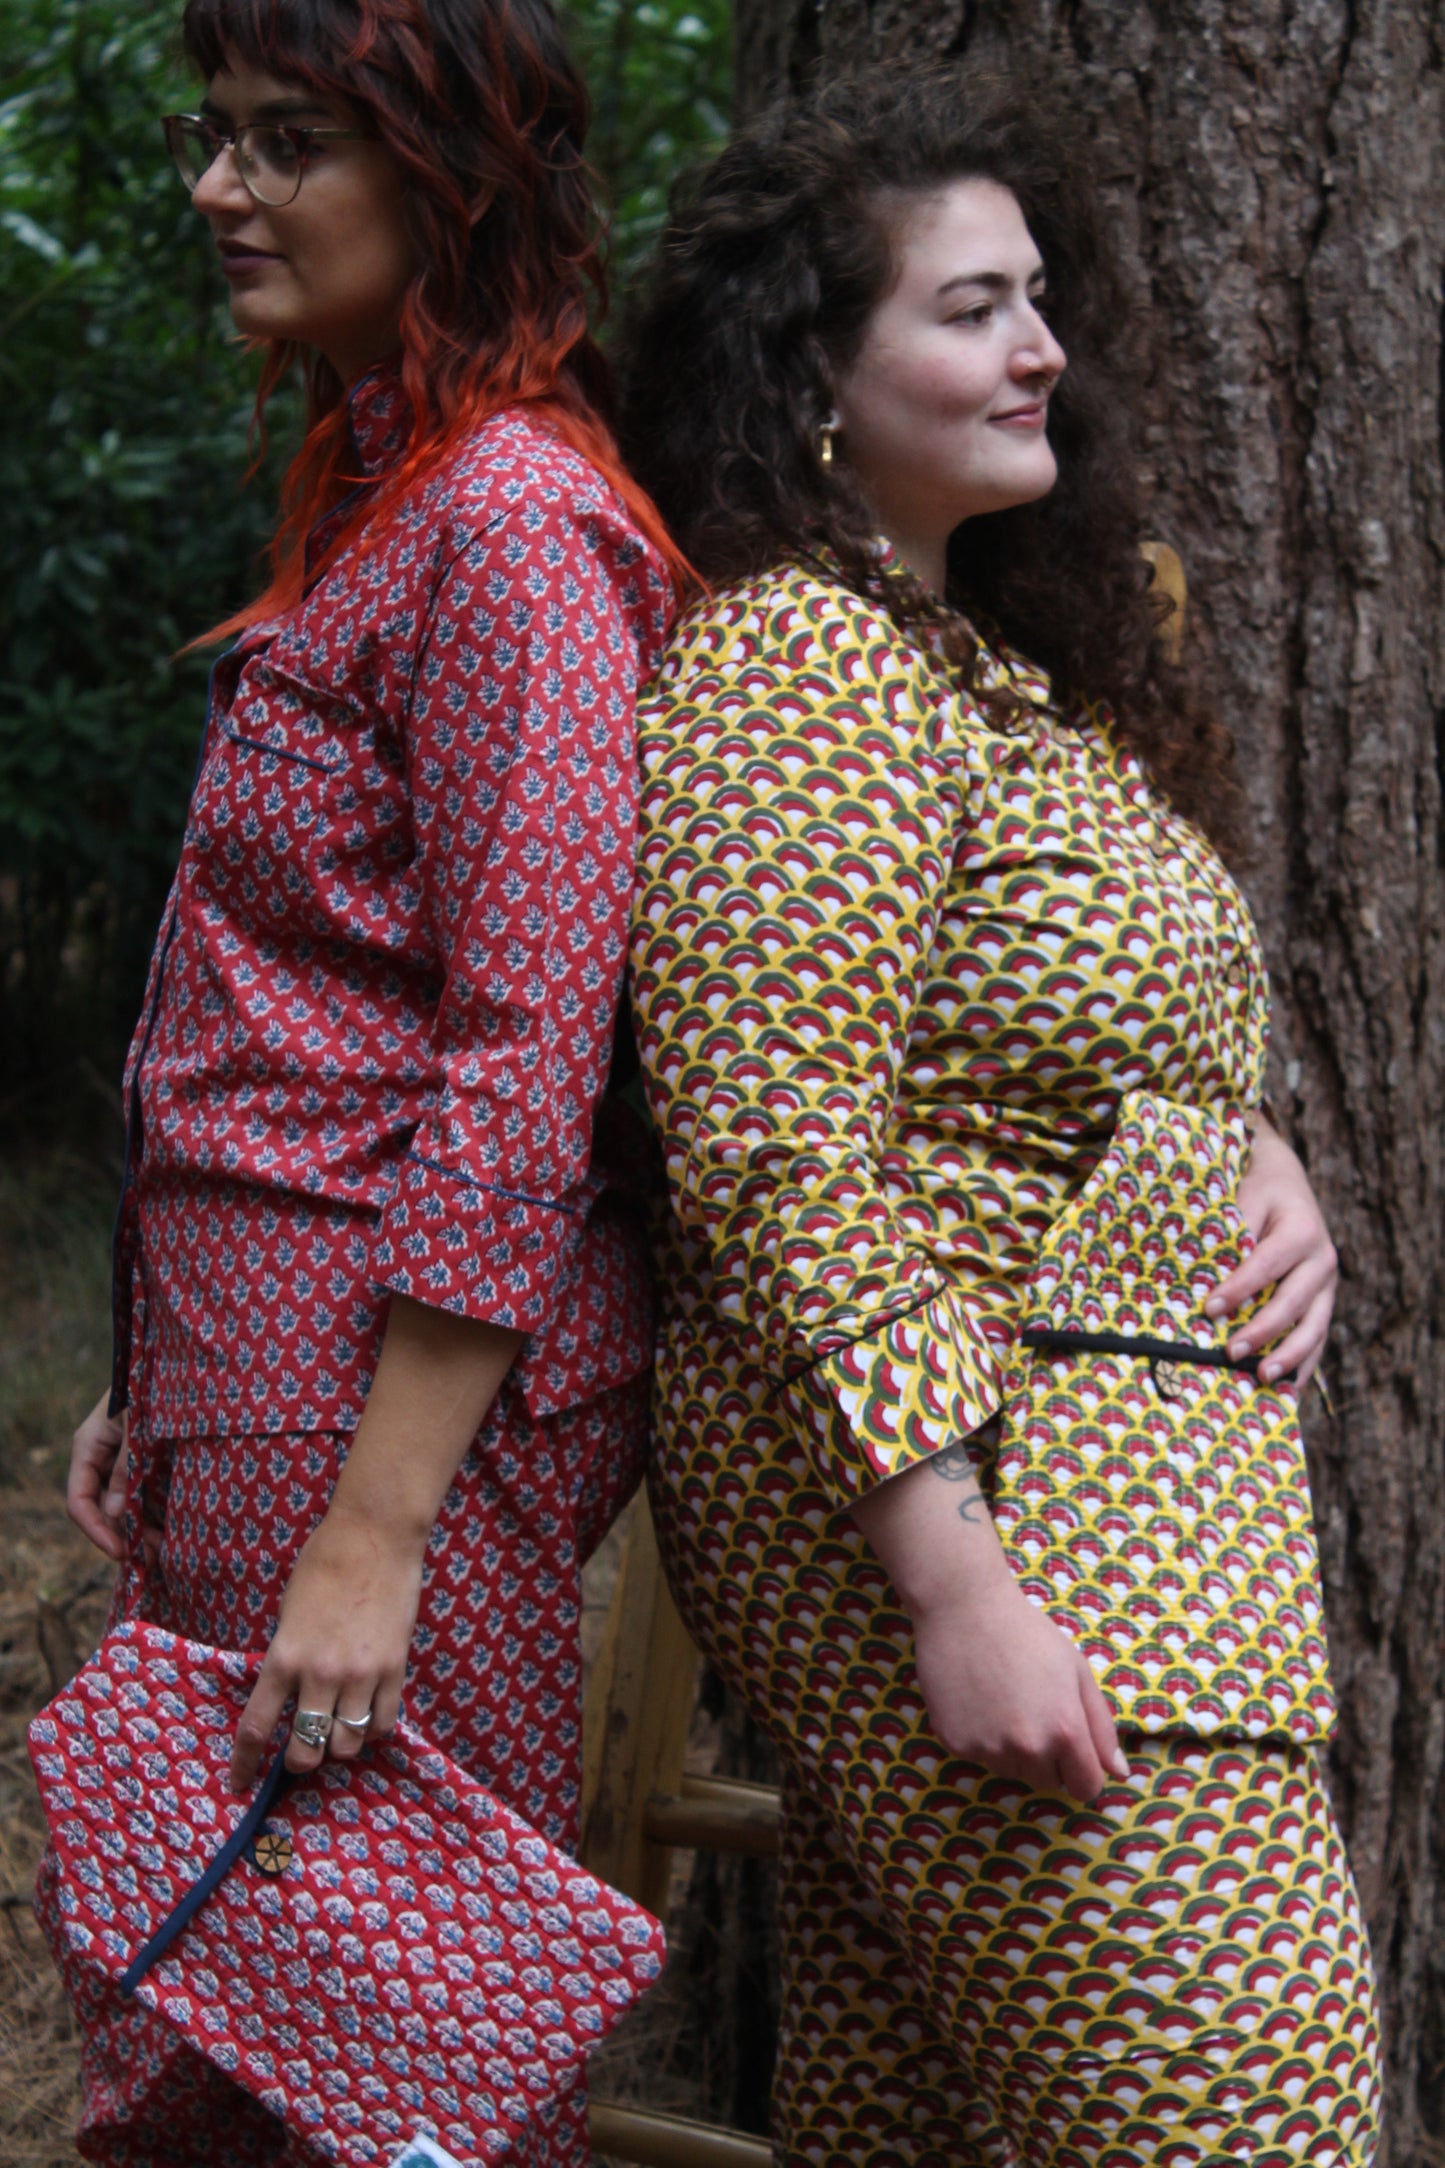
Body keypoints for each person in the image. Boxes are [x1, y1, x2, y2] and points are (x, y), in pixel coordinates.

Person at [623, 63, 1381, 2168]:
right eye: (970, 307)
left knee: (924, 2117)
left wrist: (1243, 1143)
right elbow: (773, 1153)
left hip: (1149, 1500)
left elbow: (1079, 1030)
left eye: (1040, 295)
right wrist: (949, 1571)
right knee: (1238, 2114)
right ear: (807, 376)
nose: (1041, 344)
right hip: (987, 1511)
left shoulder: (1022, 671)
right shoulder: (797, 663)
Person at [50, 1, 680, 2161]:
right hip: (264, 1380)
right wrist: (165, 1369)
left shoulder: (512, 516)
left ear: (450, 183)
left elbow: (529, 1045)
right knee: (224, 2018)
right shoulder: (385, 488)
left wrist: (374, 1529)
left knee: (390, 2062)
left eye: (286, 144)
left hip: (380, 1410)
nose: (219, 189)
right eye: (217, 138)